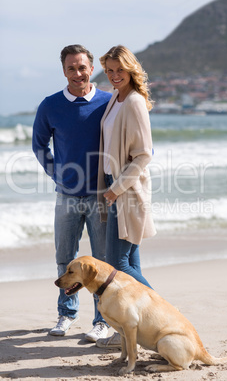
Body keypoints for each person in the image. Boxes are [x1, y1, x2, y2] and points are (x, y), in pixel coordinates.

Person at [32, 44, 112, 341]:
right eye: (71, 68)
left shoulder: (109, 101)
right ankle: (66, 315)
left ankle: (102, 320)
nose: (77, 73)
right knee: (65, 257)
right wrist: (57, 173)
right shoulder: (50, 105)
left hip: (101, 196)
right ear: (63, 71)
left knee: (101, 261)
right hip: (67, 195)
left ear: (92, 68)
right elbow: (39, 145)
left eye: (82, 67)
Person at [95, 45, 156, 348]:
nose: (115, 75)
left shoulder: (133, 102)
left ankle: (161, 313)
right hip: (113, 186)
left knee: (118, 264)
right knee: (131, 260)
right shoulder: (114, 100)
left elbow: (144, 155)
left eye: (120, 70)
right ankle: (133, 327)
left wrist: (114, 189)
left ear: (131, 70)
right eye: (109, 70)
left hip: (126, 191)